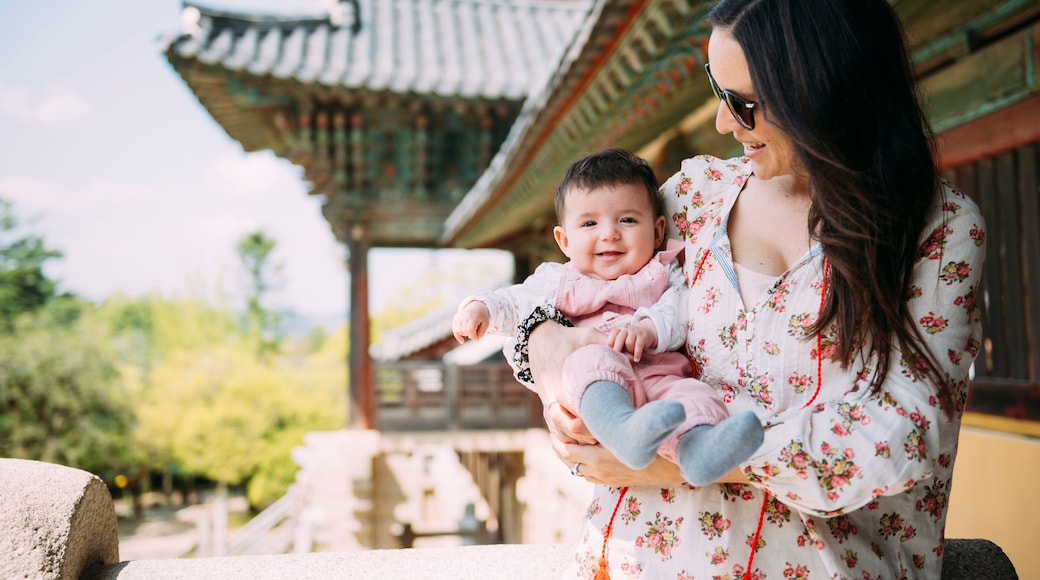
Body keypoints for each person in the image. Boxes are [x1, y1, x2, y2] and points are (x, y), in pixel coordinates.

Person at [520, 0, 987, 578]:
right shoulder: (696, 196)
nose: (723, 124)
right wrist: (546, 361)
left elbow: (905, 435)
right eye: (719, 92)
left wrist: (696, 461)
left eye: (744, 105)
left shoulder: (937, 229)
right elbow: (568, 287)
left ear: (824, 90)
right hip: (634, 559)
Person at [453, 148, 764, 488]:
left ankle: (699, 450)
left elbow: (679, 309)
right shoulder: (557, 281)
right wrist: (479, 308)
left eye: (627, 220)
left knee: (692, 394)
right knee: (590, 358)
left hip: (658, 377)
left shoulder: (663, 273)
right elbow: (515, 301)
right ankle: (623, 430)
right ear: (564, 240)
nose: (609, 234)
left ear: (658, 231)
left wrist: (648, 328)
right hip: (600, 390)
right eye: (590, 223)